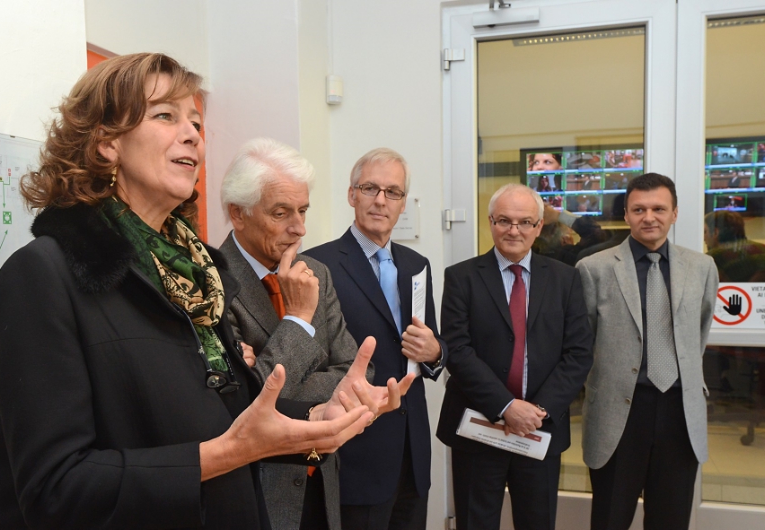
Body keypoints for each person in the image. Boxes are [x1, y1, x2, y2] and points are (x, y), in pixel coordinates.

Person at [0, 53, 413, 530]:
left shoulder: (200, 275)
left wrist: (319, 416)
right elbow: (54, 489)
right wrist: (226, 453)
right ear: (106, 143)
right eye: (165, 115)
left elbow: (231, 414)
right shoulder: (41, 276)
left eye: (195, 121)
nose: (192, 134)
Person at [219, 137, 362, 530]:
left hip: (321, 483)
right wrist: (298, 318)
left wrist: (268, 376)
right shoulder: (211, 282)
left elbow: (352, 372)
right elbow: (244, 402)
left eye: (303, 210)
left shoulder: (317, 273)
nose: (299, 229)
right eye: (280, 213)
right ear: (238, 214)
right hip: (256, 490)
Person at [305, 148, 447, 530]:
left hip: (412, 452)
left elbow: (432, 346)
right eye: (370, 188)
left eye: (392, 192)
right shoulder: (317, 266)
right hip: (356, 452)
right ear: (352, 194)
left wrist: (436, 352)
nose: (381, 200)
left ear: (403, 203)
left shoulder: (417, 265)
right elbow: (309, 363)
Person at [437, 183, 593, 530]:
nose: (514, 230)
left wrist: (537, 411)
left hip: (539, 428)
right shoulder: (461, 277)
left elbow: (579, 353)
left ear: (539, 226)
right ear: (491, 222)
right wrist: (507, 407)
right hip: (478, 428)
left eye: (525, 222)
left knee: (537, 522)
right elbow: (457, 351)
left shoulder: (565, 279)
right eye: (504, 220)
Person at [576, 173, 719, 530]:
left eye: (659, 209)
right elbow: (583, 342)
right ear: (626, 214)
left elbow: (698, 332)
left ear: (674, 213)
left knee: (670, 518)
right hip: (619, 412)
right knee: (610, 517)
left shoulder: (701, 267)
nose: (649, 217)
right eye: (639, 209)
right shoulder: (593, 268)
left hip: (679, 411)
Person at [704, 210, 765, 282]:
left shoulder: (713, 258)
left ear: (715, 232)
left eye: (705, 232)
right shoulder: (762, 248)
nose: (704, 237)